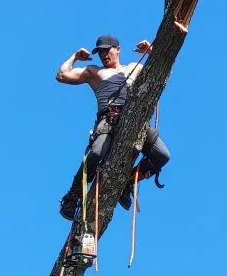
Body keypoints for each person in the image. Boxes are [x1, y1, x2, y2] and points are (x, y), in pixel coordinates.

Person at [56, 34, 171, 221]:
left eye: (107, 50)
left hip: (137, 119)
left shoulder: (135, 67)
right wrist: (75, 56)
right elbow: (62, 75)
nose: (103, 55)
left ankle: (128, 183)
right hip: (109, 120)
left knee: (162, 155)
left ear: (118, 49)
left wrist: (151, 51)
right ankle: (73, 195)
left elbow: (163, 72)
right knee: (95, 153)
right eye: (100, 52)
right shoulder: (95, 72)